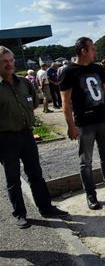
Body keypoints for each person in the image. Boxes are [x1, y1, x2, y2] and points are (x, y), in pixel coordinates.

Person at [0, 46, 68, 229]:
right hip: (6, 139)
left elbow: (34, 103)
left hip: (27, 136)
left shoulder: (24, 82)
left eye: (11, 60)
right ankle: (20, 214)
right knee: (13, 178)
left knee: (36, 174)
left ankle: (46, 207)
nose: (9, 64)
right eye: (4, 61)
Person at [59, 37, 105, 210]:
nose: (95, 52)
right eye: (92, 49)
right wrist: (70, 126)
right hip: (84, 123)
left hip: (102, 120)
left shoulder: (98, 68)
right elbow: (65, 102)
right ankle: (91, 195)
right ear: (83, 51)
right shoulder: (68, 71)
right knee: (86, 161)